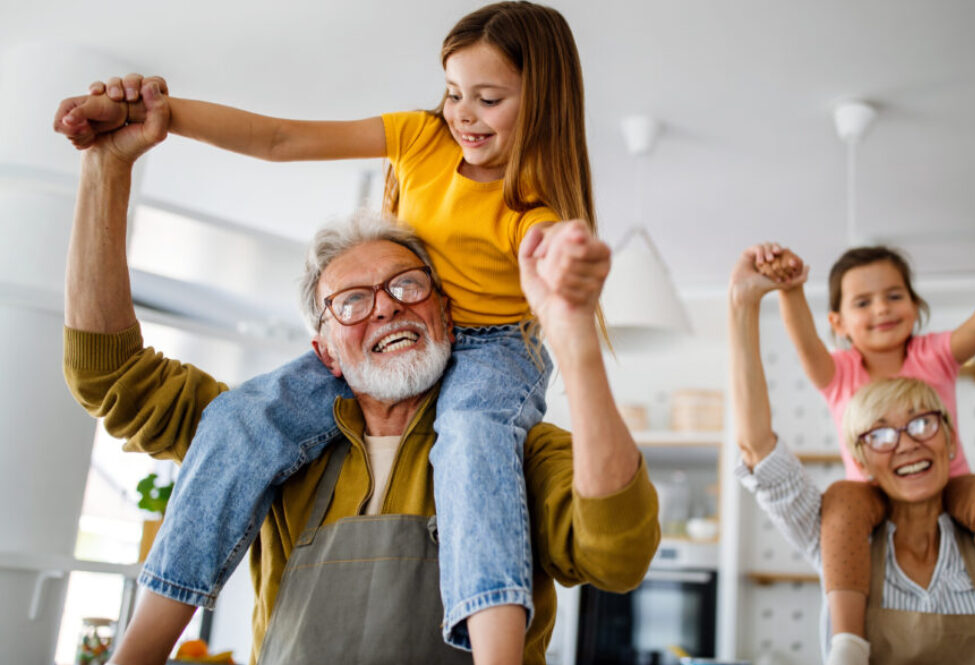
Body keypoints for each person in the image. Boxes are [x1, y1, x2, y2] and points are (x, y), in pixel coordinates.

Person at [54, 3, 600, 661]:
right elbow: (280, 139)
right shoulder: (424, 139)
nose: (461, 113)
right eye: (455, 92)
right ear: (322, 344)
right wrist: (152, 125)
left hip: (495, 352)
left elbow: (613, 546)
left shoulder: (532, 215)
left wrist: (572, 298)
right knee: (237, 419)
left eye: (488, 99)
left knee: (474, 445)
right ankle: (137, 649)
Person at [728, 214, 975, 664]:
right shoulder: (843, 534)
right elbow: (764, 433)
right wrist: (787, 291)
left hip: (957, 489)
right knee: (843, 500)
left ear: (950, 436)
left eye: (922, 424)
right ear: (838, 322)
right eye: (878, 432)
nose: (906, 444)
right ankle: (848, 645)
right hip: (864, 497)